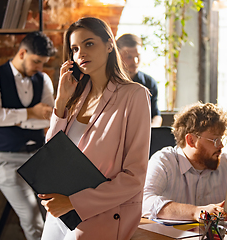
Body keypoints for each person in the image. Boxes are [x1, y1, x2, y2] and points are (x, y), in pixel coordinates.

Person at [38, 17, 151, 240]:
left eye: (89, 44)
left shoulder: (134, 95)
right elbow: (53, 154)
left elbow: (134, 177)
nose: (81, 53)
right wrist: (60, 102)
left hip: (100, 215)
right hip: (60, 214)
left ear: (110, 45)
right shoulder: (77, 97)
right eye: (75, 48)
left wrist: (73, 203)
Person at [0, 31, 56, 240]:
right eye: (37, 62)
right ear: (22, 53)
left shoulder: (43, 79)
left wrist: (15, 117)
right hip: (6, 160)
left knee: (58, 215)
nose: (40, 68)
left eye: (43, 63)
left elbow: (50, 117)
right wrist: (31, 113)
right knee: (32, 218)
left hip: (40, 158)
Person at [142, 102, 227, 221]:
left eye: (221, 139)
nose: (220, 145)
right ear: (190, 140)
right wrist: (195, 212)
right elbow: (144, 201)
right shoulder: (163, 162)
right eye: (215, 140)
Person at [117, 33, 163, 127]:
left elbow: (156, 115)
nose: (135, 61)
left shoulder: (150, 82)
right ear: (117, 56)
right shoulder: (108, 81)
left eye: (137, 56)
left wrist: (151, 129)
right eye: (129, 57)